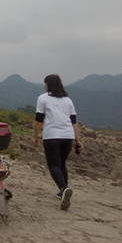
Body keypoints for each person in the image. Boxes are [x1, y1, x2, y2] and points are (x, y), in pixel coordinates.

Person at [32, 74, 82, 211]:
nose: (44, 85)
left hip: (51, 136)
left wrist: (35, 136)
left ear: (48, 84)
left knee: (53, 165)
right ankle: (63, 191)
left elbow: (39, 119)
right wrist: (77, 140)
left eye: (45, 83)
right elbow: (74, 122)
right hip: (67, 136)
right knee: (61, 164)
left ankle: (64, 188)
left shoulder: (43, 98)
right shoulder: (68, 100)